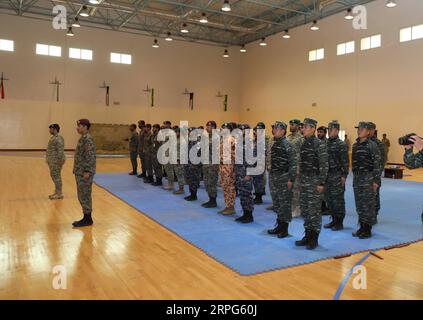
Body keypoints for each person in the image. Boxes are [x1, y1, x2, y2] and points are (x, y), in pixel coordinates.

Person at [295, 118, 328, 250]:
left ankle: (314, 238)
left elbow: (324, 165)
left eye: (306, 127)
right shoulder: (304, 143)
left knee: (314, 210)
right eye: (303, 127)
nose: (303, 129)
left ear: (313, 128)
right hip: (304, 181)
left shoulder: (319, 144)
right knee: (305, 209)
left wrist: (321, 183)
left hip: (315, 181)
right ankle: (307, 235)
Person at [267, 121, 297, 238]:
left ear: (283, 131)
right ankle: (278, 226)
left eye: (277, 129)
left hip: (284, 178)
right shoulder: (275, 143)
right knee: (278, 203)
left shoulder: (288, 144)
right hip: (275, 177)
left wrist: (291, 179)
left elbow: (293, 164)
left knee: (285, 204)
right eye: (274, 128)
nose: (274, 130)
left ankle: (284, 229)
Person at [351, 122, 381, 239]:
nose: (359, 131)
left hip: (368, 177)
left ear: (368, 131)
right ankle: (361, 227)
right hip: (357, 178)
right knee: (359, 204)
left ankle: (367, 230)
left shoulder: (372, 145)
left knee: (368, 204)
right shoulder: (355, 145)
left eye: (362, 129)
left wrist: (375, 181)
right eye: (359, 129)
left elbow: (377, 164)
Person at [323, 121, 349, 231]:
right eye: (328, 130)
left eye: (331, 130)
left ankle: (339, 222)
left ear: (337, 131)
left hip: (337, 175)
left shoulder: (341, 144)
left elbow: (345, 162)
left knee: (338, 200)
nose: (329, 132)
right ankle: (333, 220)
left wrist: (344, 176)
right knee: (329, 199)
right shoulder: (326, 143)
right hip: (327, 175)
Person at [72, 119, 96, 228]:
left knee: (85, 195)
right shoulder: (82, 139)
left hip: (84, 173)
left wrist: (87, 171)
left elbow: (90, 157)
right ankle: (86, 217)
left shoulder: (88, 140)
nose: (78, 128)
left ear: (85, 127)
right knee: (82, 195)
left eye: (80, 126)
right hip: (80, 171)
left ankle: (87, 219)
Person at [234, 124, 255, 223]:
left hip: (246, 173)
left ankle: (249, 215)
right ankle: (245, 214)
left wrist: (249, 173)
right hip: (239, 172)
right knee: (242, 194)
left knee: (247, 194)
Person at [286, 119, 304, 217]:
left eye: (292, 124)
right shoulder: (288, 138)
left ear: (297, 126)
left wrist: (299, 167)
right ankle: (291, 207)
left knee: (296, 189)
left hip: (296, 167)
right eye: (290, 124)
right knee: (289, 188)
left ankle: (297, 209)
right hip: (288, 167)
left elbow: (303, 154)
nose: (291, 126)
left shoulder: (301, 138)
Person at [219, 123, 236, 215]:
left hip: (229, 167)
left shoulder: (232, 140)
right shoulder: (223, 140)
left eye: (224, 128)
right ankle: (227, 205)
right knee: (225, 187)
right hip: (223, 167)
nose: (222, 130)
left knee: (230, 187)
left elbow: (235, 155)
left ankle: (231, 207)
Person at [201, 121, 220, 208]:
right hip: (206, 163)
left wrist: (216, 163)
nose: (206, 128)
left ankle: (213, 201)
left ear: (213, 127)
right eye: (206, 126)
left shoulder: (217, 137)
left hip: (212, 164)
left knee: (212, 183)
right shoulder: (207, 137)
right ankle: (210, 199)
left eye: (208, 126)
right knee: (206, 182)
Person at [369, 123, 385, 220]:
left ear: (373, 130)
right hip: (365, 175)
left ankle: (374, 213)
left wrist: (377, 175)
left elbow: (382, 160)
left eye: (369, 129)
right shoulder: (364, 142)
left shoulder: (378, 143)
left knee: (374, 194)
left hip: (374, 174)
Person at [46, 124, 66, 200]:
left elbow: (60, 151)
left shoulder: (58, 139)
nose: (49, 130)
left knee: (56, 176)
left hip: (56, 161)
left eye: (50, 129)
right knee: (54, 175)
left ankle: (59, 193)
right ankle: (57, 191)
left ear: (54, 129)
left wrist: (60, 162)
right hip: (53, 161)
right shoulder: (53, 138)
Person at [184, 127, 202, 201]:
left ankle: (194, 195)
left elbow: (200, 153)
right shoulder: (189, 140)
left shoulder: (198, 141)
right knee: (189, 179)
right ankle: (191, 194)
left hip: (194, 164)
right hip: (188, 163)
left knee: (194, 179)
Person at [252, 122, 267, 204]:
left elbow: (266, 152)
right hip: (254, 163)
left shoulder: (264, 140)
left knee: (259, 181)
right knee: (255, 181)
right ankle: (257, 195)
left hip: (260, 163)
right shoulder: (255, 140)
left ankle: (259, 197)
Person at [173, 128, 186, 195]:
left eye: (176, 132)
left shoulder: (182, 141)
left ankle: (181, 189)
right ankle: (180, 188)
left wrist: (179, 159)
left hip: (179, 160)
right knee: (178, 174)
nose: (175, 134)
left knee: (180, 174)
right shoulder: (177, 139)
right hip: (176, 159)